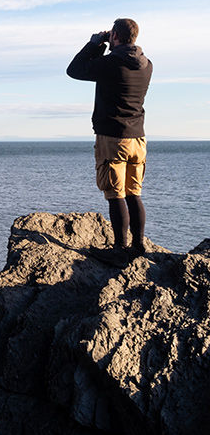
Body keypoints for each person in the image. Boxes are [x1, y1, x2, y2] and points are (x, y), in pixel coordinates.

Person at [66, 18, 152, 265]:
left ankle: (119, 249)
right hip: (138, 138)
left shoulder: (111, 64)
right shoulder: (147, 65)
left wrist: (95, 44)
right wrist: (108, 44)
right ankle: (138, 246)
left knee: (115, 194)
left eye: (111, 35)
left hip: (113, 138)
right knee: (134, 193)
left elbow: (75, 69)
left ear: (114, 35)